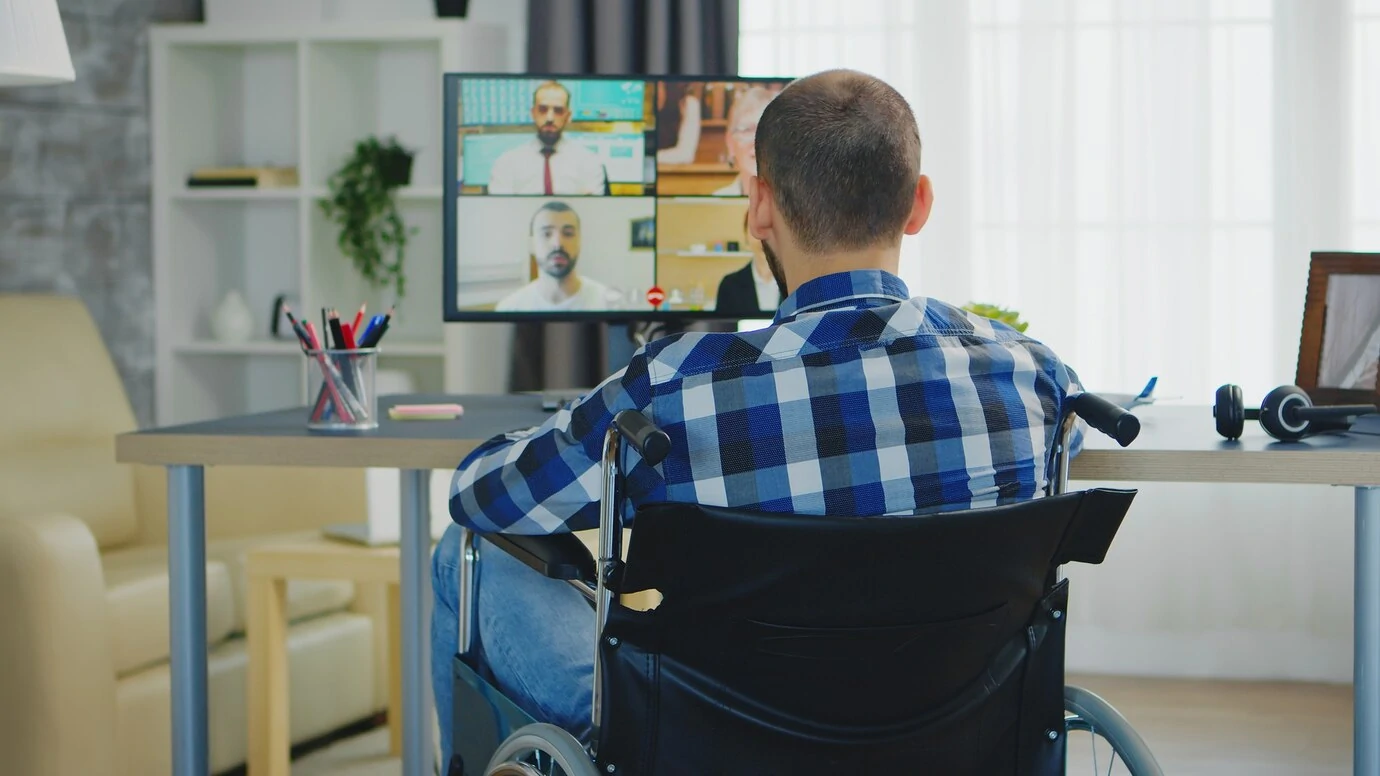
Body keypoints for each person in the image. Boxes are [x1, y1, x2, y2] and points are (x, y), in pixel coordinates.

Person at [433, 69, 1084, 760]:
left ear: (760, 208)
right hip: (953, 736)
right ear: (918, 204)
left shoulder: (675, 387)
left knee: (463, 554)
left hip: (712, 745)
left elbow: (480, 496)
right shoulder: (1029, 374)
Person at [487, 80, 608, 195]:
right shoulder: (506, 163)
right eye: (543, 110)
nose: (550, 118)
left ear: (568, 116)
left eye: (558, 110)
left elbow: (594, 212)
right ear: (533, 113)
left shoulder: (589, 163)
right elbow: (500, 212)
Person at [495, 201, 616, 311]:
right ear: (531, 244)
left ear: (580, 241)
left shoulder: (609, 304)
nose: (558, 244)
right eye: (547, 234)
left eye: (568, 234)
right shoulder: (509, 309)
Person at [713, 85, 777, 196]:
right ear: (730, 143)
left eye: (766, 130)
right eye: (747, 130)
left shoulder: (801, 206)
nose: (757, 142)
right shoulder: (715, 204)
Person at [714, 212, 781, 317]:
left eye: (769, 228)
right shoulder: (729, 286)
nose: (762, 238)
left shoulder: (795, 284)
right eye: (756, 230)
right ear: (746, 236)